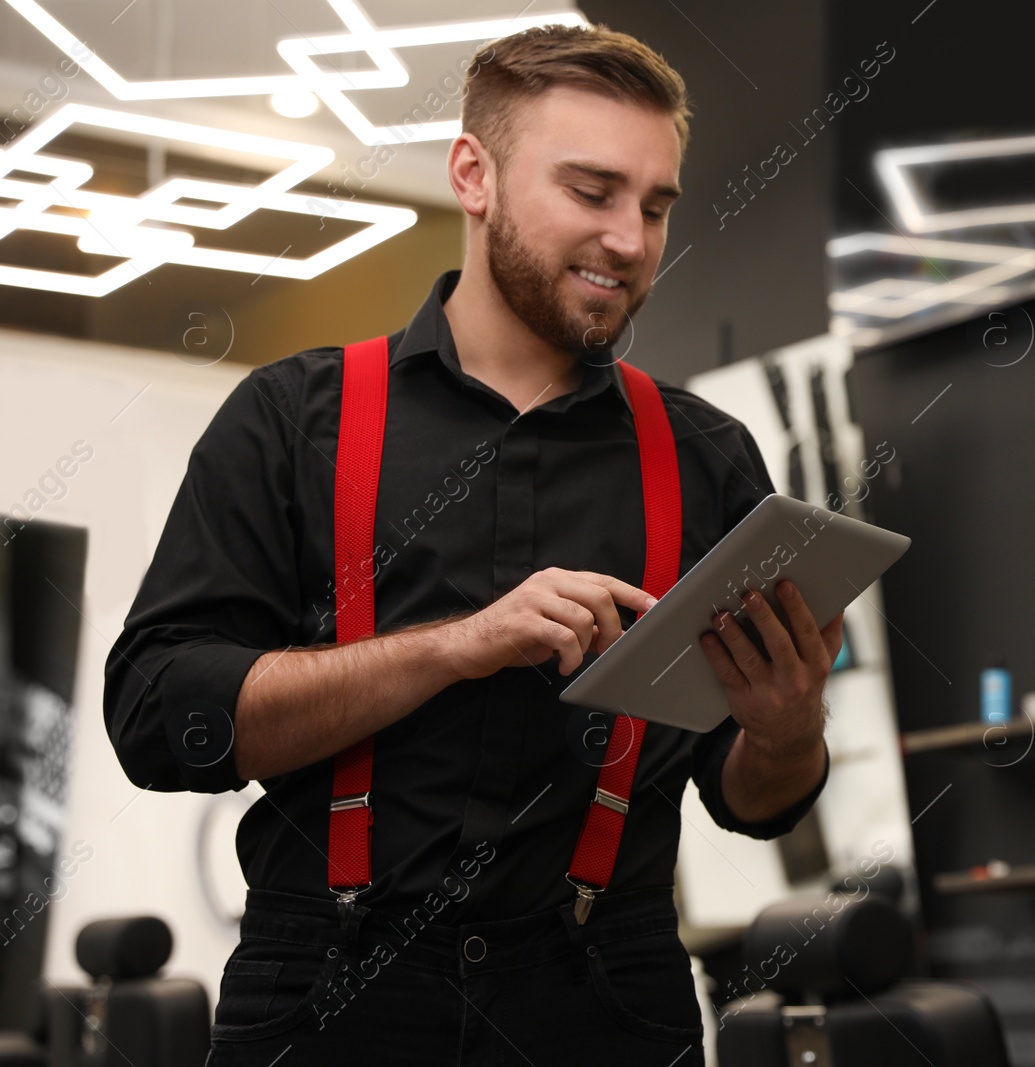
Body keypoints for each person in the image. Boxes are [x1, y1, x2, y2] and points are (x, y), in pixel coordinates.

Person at [102, 22, 841, 1067]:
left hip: (608, 996)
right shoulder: (290, 419)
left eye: (656, 205)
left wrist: (785, 727)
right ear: (473, 174)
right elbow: (157, 716)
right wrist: (452, 646)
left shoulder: (706, 455)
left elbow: (748, 797)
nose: (630, 240)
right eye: (592, 193)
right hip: (326, 991)